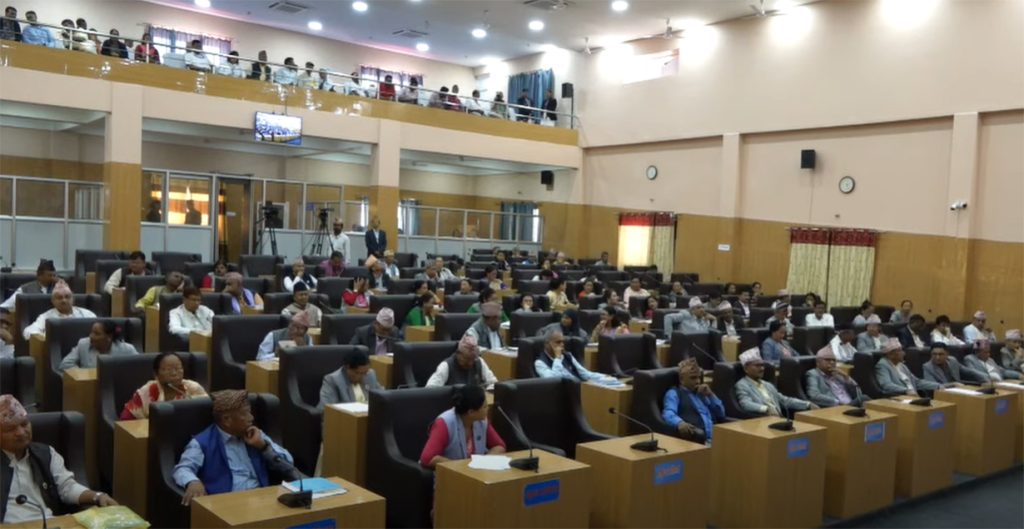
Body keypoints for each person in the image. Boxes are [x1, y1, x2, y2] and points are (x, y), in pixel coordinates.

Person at [0, 395, 118, 524]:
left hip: (47, 523)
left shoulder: (46, 453)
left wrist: (98, 496)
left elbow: (67, 487)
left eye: (24, 424)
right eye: (11, 429)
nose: (21, 432)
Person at [174, 390, 294, 505]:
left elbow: (288, 462)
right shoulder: (202, 442)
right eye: (245, 413)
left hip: (261, 498)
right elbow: (183, 468)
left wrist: (263, 446)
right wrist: (192, 481)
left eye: (250, 412)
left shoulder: (255, 434)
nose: (251, 418)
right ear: (227, 420)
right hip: (227, 503)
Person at [419, 383, 505, 469]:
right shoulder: (444, 423)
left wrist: (484, 461)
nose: (488, 408)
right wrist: (462, 468)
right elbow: (427, 458)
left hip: (476, 474)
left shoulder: (481, 421)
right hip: (450, 474)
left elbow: (499, 446)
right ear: (471, 412)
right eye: (485, 406)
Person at [120, 352, 207, 420]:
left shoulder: (193, 388)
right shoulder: (147, 391)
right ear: (156, 374)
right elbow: (126, 419)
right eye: (168, 370)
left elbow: (205, 413)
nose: (174, 373)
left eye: (178, 368)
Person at [734, 349, 816, 416]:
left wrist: (807, 404)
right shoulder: (742, 384)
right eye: (757, 365)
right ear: (746, 369)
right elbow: (745, 404)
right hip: (760, 422)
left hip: (778, 420)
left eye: (762, 365)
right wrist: (766, 409)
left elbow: (784, 400)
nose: (762, 368)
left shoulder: (767, 385)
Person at [662, 359, 725, 444]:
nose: (698, 381)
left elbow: (721, 414)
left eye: (699, 377)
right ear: (681, 379)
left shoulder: (702, 393)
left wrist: (711, 395)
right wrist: (679, 423)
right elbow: (668, 413)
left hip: (716, 440)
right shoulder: (674, 393)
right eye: (693, 378)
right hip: (696, 441)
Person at [535, 331, 620, 386]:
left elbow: (585, 374)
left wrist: (604, 376)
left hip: (580, 387)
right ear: (547, 344)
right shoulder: (540, 363)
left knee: (612, 384)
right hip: (565, 395)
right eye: (558, 342)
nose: (562, 345)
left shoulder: (567, 355)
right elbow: (553, 380)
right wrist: (557, 358)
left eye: (563, 342)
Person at [22, 282, 97, 339]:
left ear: (73, 299)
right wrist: (45, 338)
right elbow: (28, 332)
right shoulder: (45, 317)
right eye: (59, 297)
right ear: (53, 301)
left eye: (67, 297)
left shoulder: (87, 314)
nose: (64, 300)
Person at [58, 320, 138, 372]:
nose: (91, 336)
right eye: (91, 332)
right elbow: (65, 364)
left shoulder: (127, 349)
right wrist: (84, 375)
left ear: (109, 337)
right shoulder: (83, 344)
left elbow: (139, 368)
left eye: (96, 334)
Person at [425, 334, 498, 388]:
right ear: (458, 354)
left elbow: (493, 383)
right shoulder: (446, 366)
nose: (470, 363)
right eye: (467, 359)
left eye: (472, 359)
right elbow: (430, 389)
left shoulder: (479, 362)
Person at [875, 339, 940, 396]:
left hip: (914, 395)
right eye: (900, 351)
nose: (904, 353)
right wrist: (906, 390)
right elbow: (886, 385)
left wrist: (938, 386)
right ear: (890, 354)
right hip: (900, 398)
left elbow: (916, 382)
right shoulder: (882, 365)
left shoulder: (901, 365)